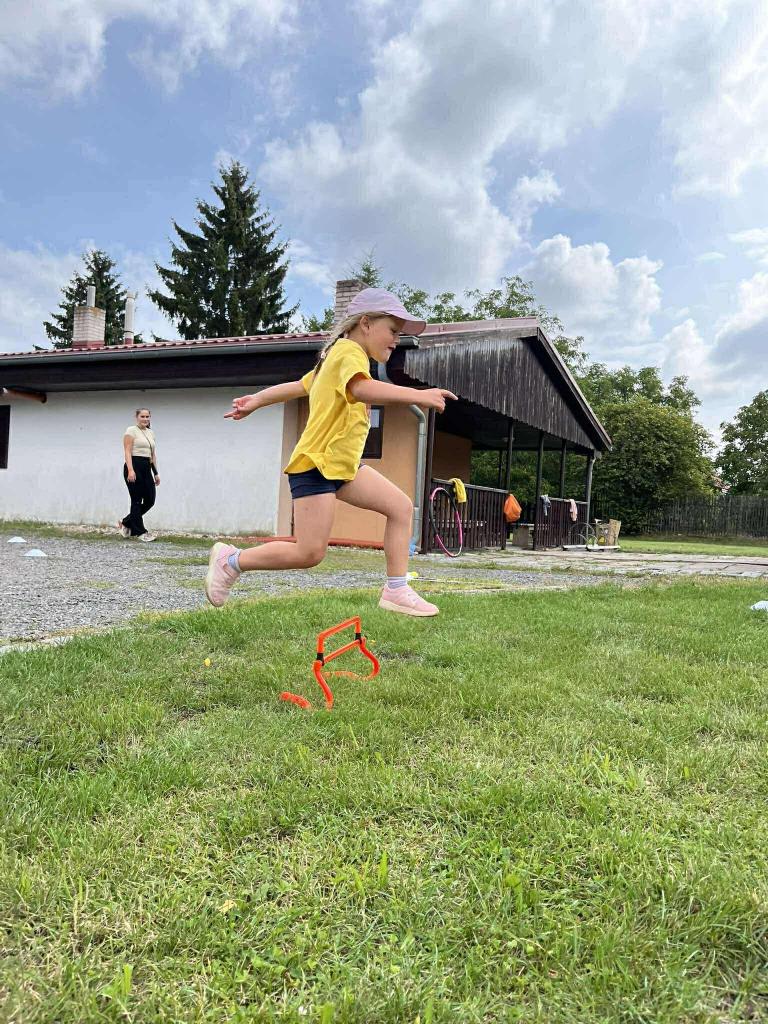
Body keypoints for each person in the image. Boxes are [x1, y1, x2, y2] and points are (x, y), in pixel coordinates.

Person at [205, 287, 457, 616]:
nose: (396, 340)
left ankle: (396, 589)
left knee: (400, 507)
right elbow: (360, 388)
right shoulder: (348, 352)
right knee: (309, 553)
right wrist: (418, 395)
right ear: (366, 323)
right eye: (393, 331)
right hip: (316, 465)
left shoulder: (336, 359)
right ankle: (231, 560)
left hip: (342, 467)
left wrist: (257, 400)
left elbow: (299, 386)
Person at [118, 407, 160, 542]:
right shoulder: (131, 430)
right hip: (134, 465)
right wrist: (130, 470)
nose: (145, 419)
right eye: (142, 416)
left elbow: (152, 455)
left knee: (150, 500)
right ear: (137, 417)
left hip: (146, 467)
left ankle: (126, 522)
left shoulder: (151, 433)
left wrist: (156, 473)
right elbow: (127, 451)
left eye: (147, 416)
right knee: (136, 500)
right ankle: (141, 532)